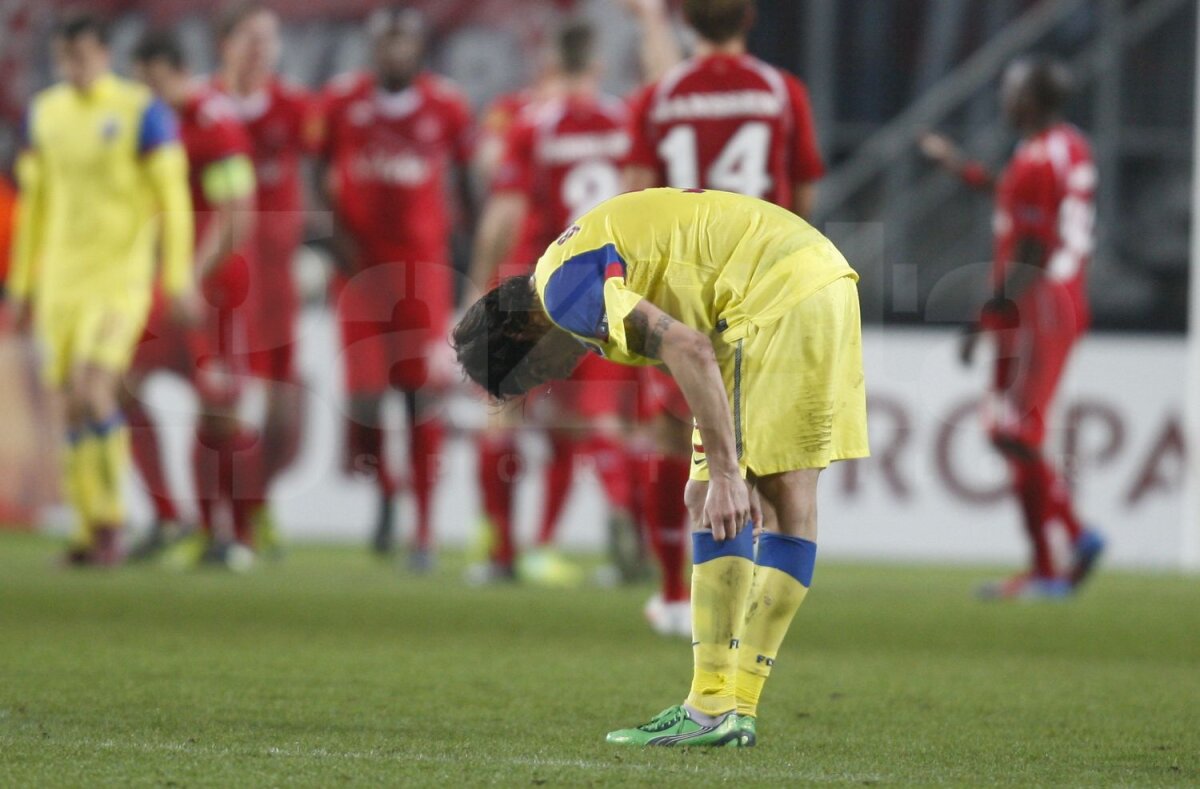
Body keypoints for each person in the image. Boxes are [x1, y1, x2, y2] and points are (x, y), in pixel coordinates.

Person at [453, 187, 868, 746]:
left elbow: (689, 347)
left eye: (532, 374)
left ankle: (710, 708)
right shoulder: (571, 258)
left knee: (731, 498)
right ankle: (734, 710)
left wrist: (724, 472)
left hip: (768, 296)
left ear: (520, 333)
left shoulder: (560, 295)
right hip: (821, 278)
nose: (551, 378)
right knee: (770, 501)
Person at [624, 0, 826, 636]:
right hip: (761, 282)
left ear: (686, 20)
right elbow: (805, 194)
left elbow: (635, 198)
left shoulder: (659, 96)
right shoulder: (780, 91)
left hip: (684, 283)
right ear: (751, 18)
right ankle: (749, 613)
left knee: (668, 437)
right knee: (758, 456)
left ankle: (673, 595)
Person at [8, 12, 195, 566]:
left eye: (84, 57)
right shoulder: (44, 115)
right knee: (67, 405)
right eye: (65, 58)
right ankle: (89, 529)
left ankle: (112, 519)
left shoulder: (141, 112)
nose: (75, 68)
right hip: (60, 283)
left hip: (120, 280)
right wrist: (21, 284)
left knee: (96, 390)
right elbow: (34, 207)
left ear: (105, 54)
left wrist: (177, 274)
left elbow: (174, 197)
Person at [921, 58, 1105, 600]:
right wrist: (961, 166)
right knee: (1007, 429)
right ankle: (1048, 566)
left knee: (1014, 431)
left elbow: (1031, 248)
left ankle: (1072, 540)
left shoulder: (1036, 162)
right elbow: (1018, 197)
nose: (1005, 98)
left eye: (1011, 89)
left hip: (1039, 304)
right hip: (1053, 299)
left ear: (1027, 99)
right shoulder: (1066, 146)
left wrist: (987, 318)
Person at [466, 21, 638, 586]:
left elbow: (506, 214)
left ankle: (502, 556)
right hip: (605, 282)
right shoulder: (623, 121)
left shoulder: (533, 125)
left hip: (537, 279)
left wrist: (476, 286)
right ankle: (611, 529)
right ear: (599, 65)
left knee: (503, 411)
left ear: (550, 64)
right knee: (599, 422)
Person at [317, 6, 474, 568]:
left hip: (422, 277)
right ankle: (385, 487)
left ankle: (423, 534)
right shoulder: (340, 102)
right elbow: (315, 175)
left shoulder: (447, 106)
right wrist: (330, 239)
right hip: (359, 275)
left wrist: (472, 266)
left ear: (418, 47)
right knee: (361, 401)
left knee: (420, 400)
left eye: (403, 42)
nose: (394, 52)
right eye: (385, 42)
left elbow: (467, 183)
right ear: (372, 46)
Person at [126, 31, 261, 568]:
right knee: (118, 383)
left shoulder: (215, 122)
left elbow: (240, 213)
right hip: (170, 288)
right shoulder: (155, 124)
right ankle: (167, 517)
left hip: (217, 289)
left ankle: (231, 536)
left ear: (170, 70)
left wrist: (192, 275)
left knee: (219, 411)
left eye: (149, 80)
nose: (145, 92)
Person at [211, 2, 320, 555]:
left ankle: (254, 509)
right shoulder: (203, 110)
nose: (261, 50)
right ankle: (221, 526)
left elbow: (331, 159)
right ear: (225, 44)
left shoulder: (294, 107)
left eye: (269, 39)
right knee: (230, 403)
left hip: (279, 284)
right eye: (250, 38)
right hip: (225, 280)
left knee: (279, 410)